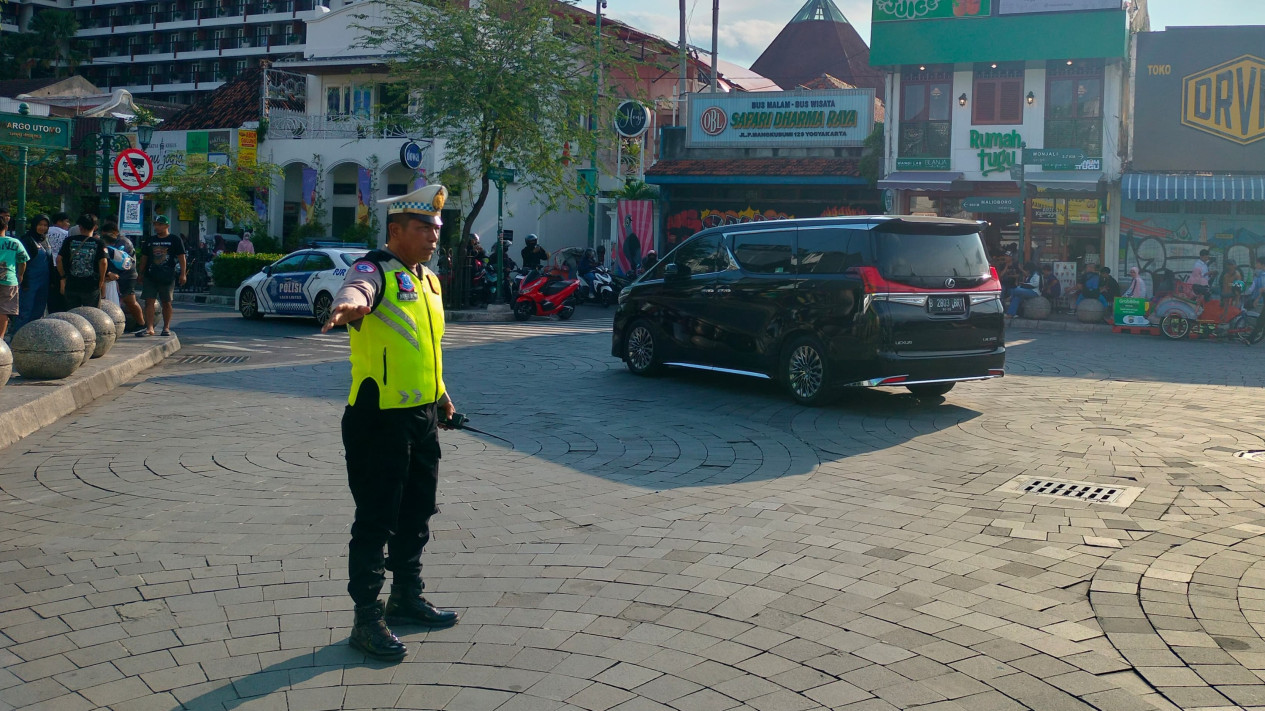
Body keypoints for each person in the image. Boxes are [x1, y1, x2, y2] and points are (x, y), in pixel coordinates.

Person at [322, 184, 460, 661]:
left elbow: (425, 348)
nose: (434, 237)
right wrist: (348, 303)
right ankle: (366, 618)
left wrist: (440, 395)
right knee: (377, 518)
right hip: (378, 419)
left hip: (422, 416)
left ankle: (405, 596)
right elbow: (357, 287)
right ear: (396, 230)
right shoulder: (374, 269)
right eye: (424, 228)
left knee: (417, 512)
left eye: (437, 229)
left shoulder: (428, 281)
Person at [135, 215, 187, 337]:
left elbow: (181, 257)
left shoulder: (174, 239)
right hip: (150, 275)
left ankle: (166, 327)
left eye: (159, 224)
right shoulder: (150, 240)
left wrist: (183, 274)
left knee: (166, 302)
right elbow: (144, 258)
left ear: (167, 226)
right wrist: (140, 273)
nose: (157, 227)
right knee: (149, 301)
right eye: (155, 224)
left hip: (167, 276)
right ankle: (149, 328)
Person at [57, 214, 107, 310]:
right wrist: (101, 280)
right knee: (92, 313)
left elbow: (59, 259)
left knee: (72, 313)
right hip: (91, 285)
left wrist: (63, 277)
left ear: (80, 227)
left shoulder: (69, 240)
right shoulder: (99, 243)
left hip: (72, 283)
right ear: (95, 227)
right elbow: (103, 262)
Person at [100, 219, 143, 328]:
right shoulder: (112, 241)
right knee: (117, 301)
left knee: (130, 300)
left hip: (127, 275)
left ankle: (141, 323)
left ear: (114, 232)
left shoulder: (123, 242)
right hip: (114, 276)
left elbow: (123, 261)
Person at [14, 214, 53, 334]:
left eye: (45, 225)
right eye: (40, 224)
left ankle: (34, 336)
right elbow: (21, 262)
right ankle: (19, 335)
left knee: (39, 310)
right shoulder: (27, 240)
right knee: (25, 310)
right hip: (29, 281)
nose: (42, 227)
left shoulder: (45, 240)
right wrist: (24, 280)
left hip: (44, 281)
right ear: (34, 225)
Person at [0, 215, 29, 340]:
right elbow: (23, 261)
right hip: (9, 280)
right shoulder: (14, 242)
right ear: (6, 227)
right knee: (4, 311)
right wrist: (20, 274)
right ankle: (0, 340)